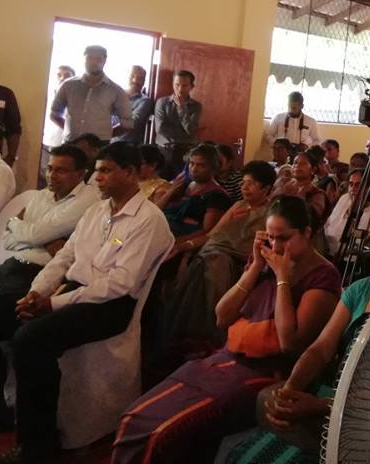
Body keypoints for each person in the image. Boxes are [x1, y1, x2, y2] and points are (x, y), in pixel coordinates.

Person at [0, 142, 174, 463]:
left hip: (110, 306)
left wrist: (54, 304)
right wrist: (37, 292)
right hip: (71, 291)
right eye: (97, 171)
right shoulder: (97, 211)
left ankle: (37, 446)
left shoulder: (148, 220)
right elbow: (64, 257)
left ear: (131, 173)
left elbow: (119, 284)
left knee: (30, 339)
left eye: (106, 171)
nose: (98, 178)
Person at [113, 196, 340, 464]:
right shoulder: (265, 261)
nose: (276, 246)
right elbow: (222, 317)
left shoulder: (322, 276)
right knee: (136, 417)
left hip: (265, 372)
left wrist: (283, 280)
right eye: (270, 237)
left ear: (307, 232)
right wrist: (255, 268)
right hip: (225, 359)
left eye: (284, 238)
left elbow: (289, 343)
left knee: (161, 434)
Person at [216, 215, 370, 464]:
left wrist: (322, 405)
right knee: (255, 432)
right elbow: (321, 349)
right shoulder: (362, 289)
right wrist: (291, 389)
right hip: (332, 388)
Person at [0, 145, 98, 392]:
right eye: (50, 168)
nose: (52, 175)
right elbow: (9, 238)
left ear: (80, 174)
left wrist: (27, 230)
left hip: (38, 273)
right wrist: (37, 236)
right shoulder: (42, 195)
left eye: (61, 170)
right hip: (12, 264)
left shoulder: (87, 199)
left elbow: (35, 232)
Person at [160, 161, 278, 353]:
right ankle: (190, 337)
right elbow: (212, 235)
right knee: (207, 261)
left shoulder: (271, 212)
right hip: (215, 252)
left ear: (266, 188)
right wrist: (184, 246)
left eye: (251, 184)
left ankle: (209, 334)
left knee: (213, 264)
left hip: (243, 261)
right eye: (243, 183)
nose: (244, 188)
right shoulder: (238, 205)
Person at [50, 45, 132, 143]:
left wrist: (107, 134)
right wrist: (69, 130)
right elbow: (54, 114)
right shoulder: (68, 85)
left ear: (104, 61)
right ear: (84, 59)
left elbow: (128, 124)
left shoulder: (116, 90)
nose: (93, 62)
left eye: (98, 59)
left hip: (99, 146)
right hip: (70, 143)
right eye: (90, 58)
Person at [155, 143, 232, 242]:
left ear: (213, 168)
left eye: (201, 165)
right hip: (163, 232)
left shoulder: (216, 195)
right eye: (191, 163)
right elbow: (156, 210)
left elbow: (208, 232)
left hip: (183, 242)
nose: (194, 169)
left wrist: (175, 243)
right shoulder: (184, 185)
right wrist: (171, 191)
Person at [321, 168, 370, 256]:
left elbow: (355, 244)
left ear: (368, 188)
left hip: (342, 258)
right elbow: (329, 224)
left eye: (358, 185)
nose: (353, 188)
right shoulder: (345, 198)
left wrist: (352, 214)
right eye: (351, 184)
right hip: (325, 247)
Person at [154, 70, 203, 169]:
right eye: (177, 85)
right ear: (172, 84)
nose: (180, 89)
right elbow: (160, 129)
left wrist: (181, 107)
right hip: (164, 149)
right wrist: (185, 134)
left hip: (186, 151)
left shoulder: (196, 106)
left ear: (191, 87)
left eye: (184, 86)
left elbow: (190, 130)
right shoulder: (162, 102)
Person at [113, 65, 152, 144]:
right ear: (127, 77)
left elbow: (132, 123)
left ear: (144, 81)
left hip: (127, 145)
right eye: (132, 76)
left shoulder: (144, 101)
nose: (135, 80)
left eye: (140, 78)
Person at [41, 65, 75, 153]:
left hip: (64, 145)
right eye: (59, 75)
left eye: (67, 76)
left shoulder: (76, 100)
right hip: (44, 144)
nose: (62, 78)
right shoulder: (45, 97)